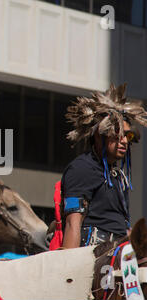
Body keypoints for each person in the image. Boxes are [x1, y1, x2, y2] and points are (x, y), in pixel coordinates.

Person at [61, 84, 147, 248]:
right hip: (92, 254)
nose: (124, 140)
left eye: (128, 135)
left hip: (118, 251)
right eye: (117, 133)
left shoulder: (118, 175)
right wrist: (68, 270)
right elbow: (73, 223)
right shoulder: (81, 169)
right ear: (99, 135)